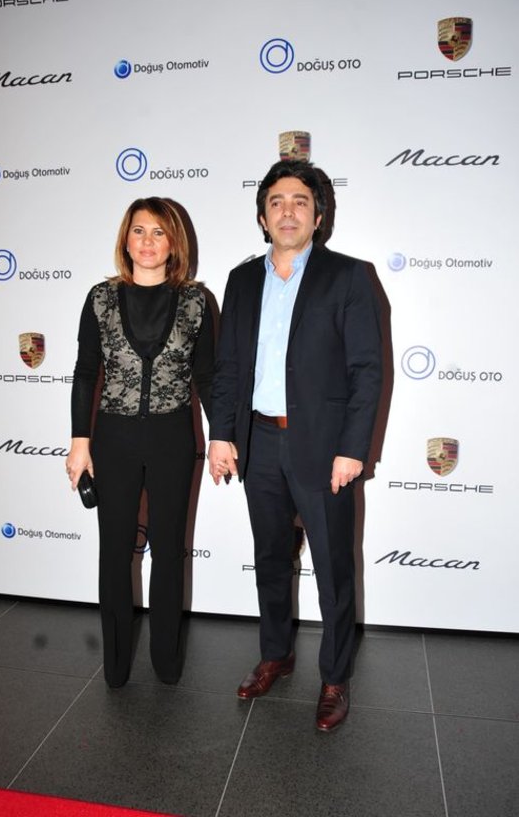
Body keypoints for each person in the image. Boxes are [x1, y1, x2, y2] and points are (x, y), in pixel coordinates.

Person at [208, 160, 382, 731]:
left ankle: (334, 676)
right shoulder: (240, 280)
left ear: (318, 215)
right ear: (262, 216)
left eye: (300, 201)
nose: (288, 211)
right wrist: (221, 434)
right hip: (258, 441)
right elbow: (228, 368)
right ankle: (276, 655)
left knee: (332, 565)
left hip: (325, 447)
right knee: (269, 558)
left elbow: (367, 370)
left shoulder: (349, 276)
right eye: (277, 202)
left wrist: (353, 447)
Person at [66, 197, 213, 688]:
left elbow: (208, 377)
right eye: (139, 231)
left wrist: (223, 436)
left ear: (174, 243)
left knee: (169, 552)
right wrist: (80, 442)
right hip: (114, 438)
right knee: (114, 553)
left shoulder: (195, 301)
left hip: (173, 438)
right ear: (125, 240)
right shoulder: (100, 298)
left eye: (158, 232)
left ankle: (167, 662)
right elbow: (86, 373)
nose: (147, 241)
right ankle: (115, 665)